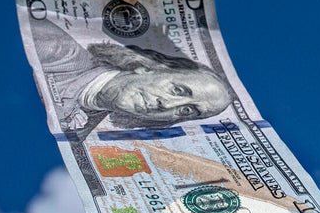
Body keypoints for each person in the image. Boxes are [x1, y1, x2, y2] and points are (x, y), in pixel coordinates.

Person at [29, 18, 231, 134]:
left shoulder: (83, 131)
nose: (167, 105)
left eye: (187, 110)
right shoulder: (58, 51)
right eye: (177, 90)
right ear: (149, 67)